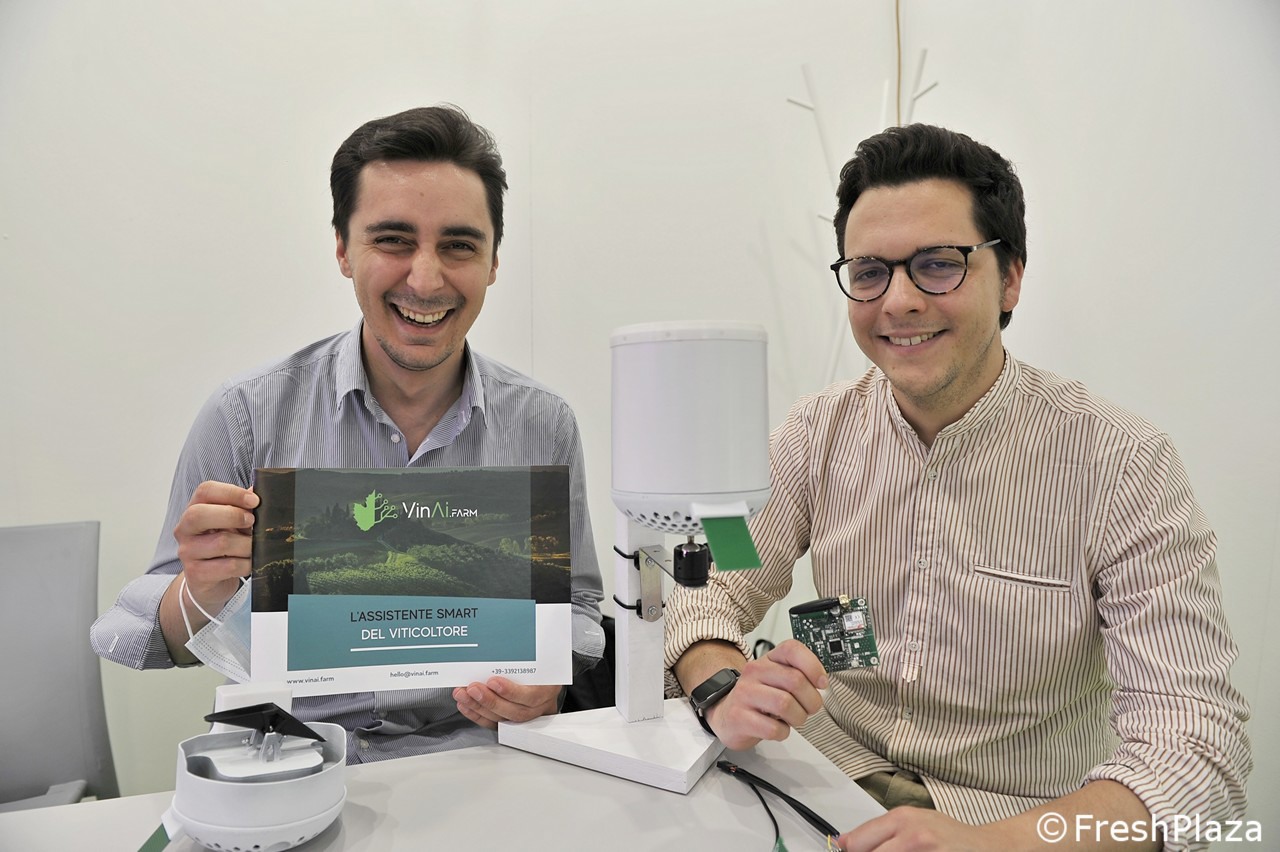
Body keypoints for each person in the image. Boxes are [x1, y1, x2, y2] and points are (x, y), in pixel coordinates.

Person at [665, 124, 1251, 851]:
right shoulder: (810, 433)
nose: (898, 301)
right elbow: (710, 573)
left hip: (1018, 817)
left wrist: (996, 845)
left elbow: (1197, 748)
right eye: (869, 271)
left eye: (939, 265)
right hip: (824, 780)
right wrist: (722, 684)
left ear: (1010, 278)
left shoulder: (1124, 465)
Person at [92, 105, 606, 762]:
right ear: (342, 249)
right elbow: (148, 638)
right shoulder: (246, 415)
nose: (426, 279)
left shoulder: (544, 423)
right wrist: (202, 589)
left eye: (459, 245)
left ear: (493, 262)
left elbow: (579, 606)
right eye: (393, 240)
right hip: (296, 760)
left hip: (478, 758)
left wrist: (550, 676)